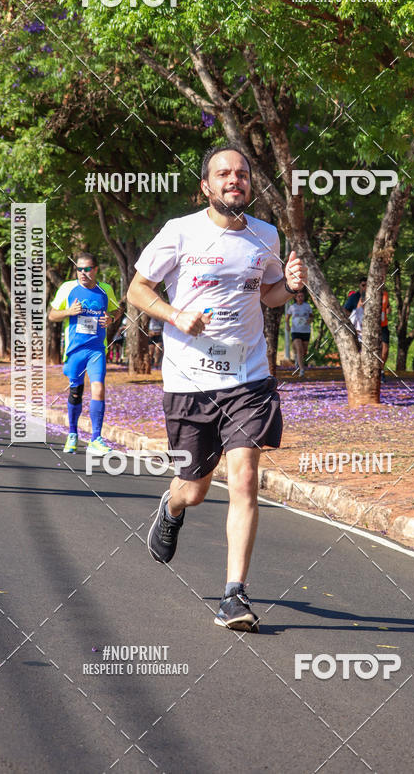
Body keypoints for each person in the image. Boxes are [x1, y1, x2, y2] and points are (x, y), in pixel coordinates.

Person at [128, 144, 306, 632]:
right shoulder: (180, 231)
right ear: (206, 185)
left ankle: (234, 594)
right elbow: (137, 290)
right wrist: (175, 315)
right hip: (190, 380)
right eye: (224, 173)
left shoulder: (265, 235)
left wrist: (291, 286)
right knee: (195, 489)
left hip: (248, 378)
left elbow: (268, 295)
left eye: (242, 173)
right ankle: (171, 507)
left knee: (244, 477)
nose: (235, 179)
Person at [48, 252, 122, 454]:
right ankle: (72, 434)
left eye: (87, 269)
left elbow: (117, 310)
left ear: (95, 269)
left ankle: (95, 438)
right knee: (76, 392)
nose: (82, 272)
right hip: (75, 350)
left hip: (96, 349)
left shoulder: (105, 289)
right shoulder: (67, 288)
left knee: (98, 387)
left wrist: (111, 319)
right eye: (79, 269)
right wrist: (68, 312)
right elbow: (52, 315)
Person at [285, 290, 313, 377]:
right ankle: (301, 370)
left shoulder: (307, 306)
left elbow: (311, 316)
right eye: (299, 296)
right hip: (295, 331)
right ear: (295, 297)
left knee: (304, 351)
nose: (300, 298)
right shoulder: (292, 307)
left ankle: (297, 360)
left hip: (306, 331)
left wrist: (310, 320)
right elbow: (287, 317)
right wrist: (287, 325)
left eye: (302, 296)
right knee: (299, 349)